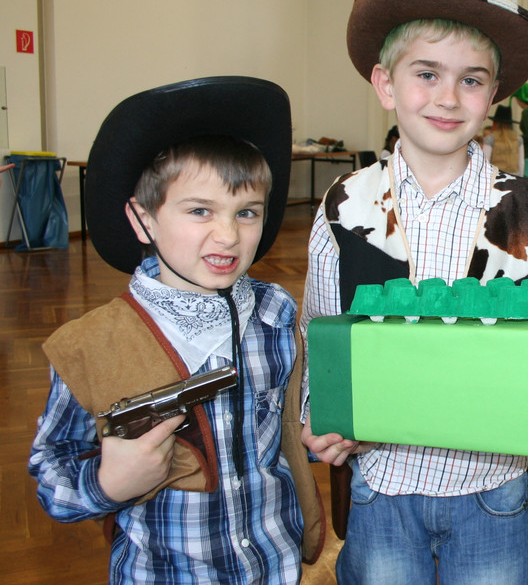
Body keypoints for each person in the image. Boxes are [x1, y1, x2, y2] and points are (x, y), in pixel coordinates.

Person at [300, 0, 528, 584]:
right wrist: (321, 414)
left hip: (494, 490)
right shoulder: (345, 204)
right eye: (426, 73)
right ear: (385, 84)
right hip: (382, 487)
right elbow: (320, 330)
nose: (448, 97)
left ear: (493, 95)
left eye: (471, 80)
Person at [28, 77, 324, 583]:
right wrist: (107, 484)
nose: (227, 235)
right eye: (200, 211)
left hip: (275, 566)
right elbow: (51, 471)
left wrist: (323, 428)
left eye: (246, 213)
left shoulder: (275, 314)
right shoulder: (93, 346)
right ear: (143, 219)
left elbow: (292, 421)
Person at [482, 103, 525, 175]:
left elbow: (485, 162)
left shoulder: (490, 139)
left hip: (496, 176)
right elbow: (521, 163)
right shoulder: (518, 139)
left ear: (495, 123)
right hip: (514, 176)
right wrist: (521, 177)